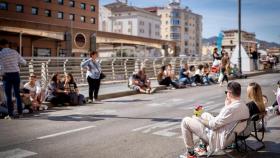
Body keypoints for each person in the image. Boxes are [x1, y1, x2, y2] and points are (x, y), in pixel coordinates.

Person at [180, 82, 249, 158]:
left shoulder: (230, 109)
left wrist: (198, 119)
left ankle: (191, 153)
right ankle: (202, 146)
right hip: (231, 135)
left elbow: (213, 125)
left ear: (229, 93)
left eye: (226, 92)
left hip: (218, 138)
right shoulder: (244, 105)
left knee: (185, 121)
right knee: (204, 114)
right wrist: (226, 105)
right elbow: (224, 119)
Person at [0, 39, 26, 119]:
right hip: (16, 74)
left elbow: (0, 67)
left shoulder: (0, 53)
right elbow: (24, 62)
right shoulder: (14, 52)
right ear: (7, 44)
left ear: (1, 45)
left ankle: (10, 114)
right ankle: (20, 113)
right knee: (17, 94)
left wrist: (1, 74)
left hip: (6, 76)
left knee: (8, 96)